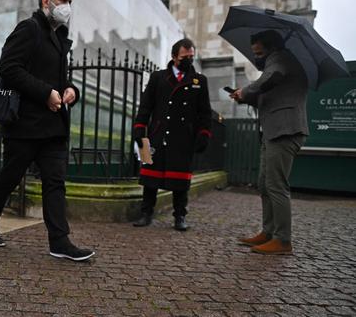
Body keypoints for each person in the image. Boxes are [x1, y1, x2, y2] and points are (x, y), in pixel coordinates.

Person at [0, 0, 94, 261]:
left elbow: (60, 79)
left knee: (56, 181)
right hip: (24, 124)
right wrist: (45, 94)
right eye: (63, 0)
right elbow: (9, 68)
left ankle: (59, 241)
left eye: (69, 2)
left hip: (53, 126)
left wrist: (69, 90)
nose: (67, 7)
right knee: (10, 177)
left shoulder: (58, 36)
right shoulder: (28, 29)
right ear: (46, 0)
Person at [230, 30, 308, 255]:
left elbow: (269, 78)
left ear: (271, 48)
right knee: (265, 183)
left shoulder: (281, 60)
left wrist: (246, 91)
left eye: (259, 52)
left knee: (276, 185)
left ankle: (283, 240)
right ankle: (269, 232)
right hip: (274, 132)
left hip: (286, 131)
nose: (258, 57)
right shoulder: (278, 65)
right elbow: (272, 94)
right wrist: (247, 97)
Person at [131, 38, 212, 231]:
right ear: (174, 57)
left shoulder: (199, 80)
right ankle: (146, 214)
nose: (189, 60)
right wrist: (139, 127)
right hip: (155, 134)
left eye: (192, 57)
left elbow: (204, 112)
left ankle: (180, 217)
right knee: (149, 178)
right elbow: (146, 106)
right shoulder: (158, 77)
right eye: (185, 57)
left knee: (181, 180)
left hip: (183, 137)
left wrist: (204, 133)